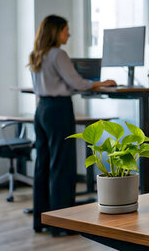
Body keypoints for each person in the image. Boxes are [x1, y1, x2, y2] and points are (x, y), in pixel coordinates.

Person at [28, 15, 116, 235]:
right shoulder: (58, 54)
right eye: (66, 30)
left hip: (41, 109)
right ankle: (62, 225)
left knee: (43, 164)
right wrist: (101, 83)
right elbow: (76, 82)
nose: (69, 34)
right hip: (58, 110)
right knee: (62, 165)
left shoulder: (37, 54)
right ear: (56, 31)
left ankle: (41, 221)